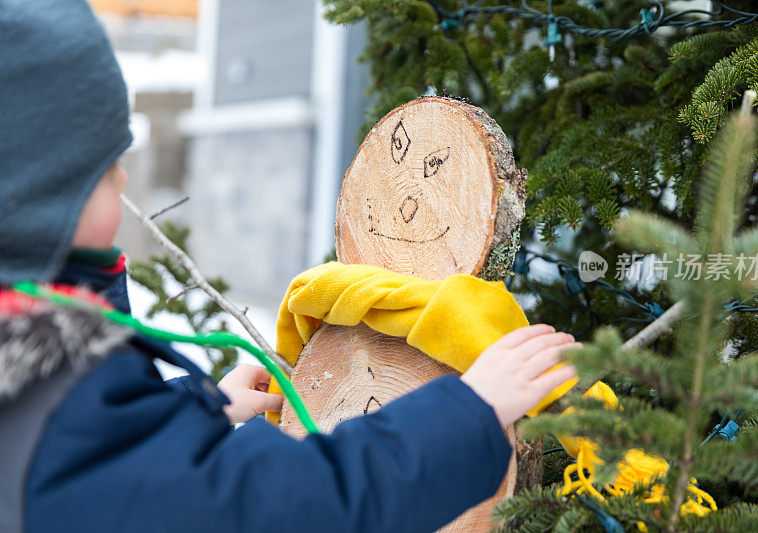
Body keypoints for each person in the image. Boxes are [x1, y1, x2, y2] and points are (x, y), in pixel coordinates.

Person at [0, 1, 579, 532]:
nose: (125, 180)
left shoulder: (36, 384)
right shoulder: (54, 413)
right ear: (35, 200)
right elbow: (300, 503)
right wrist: (470, 415)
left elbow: (108, 453)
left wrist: (198, 406)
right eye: (105, 170)